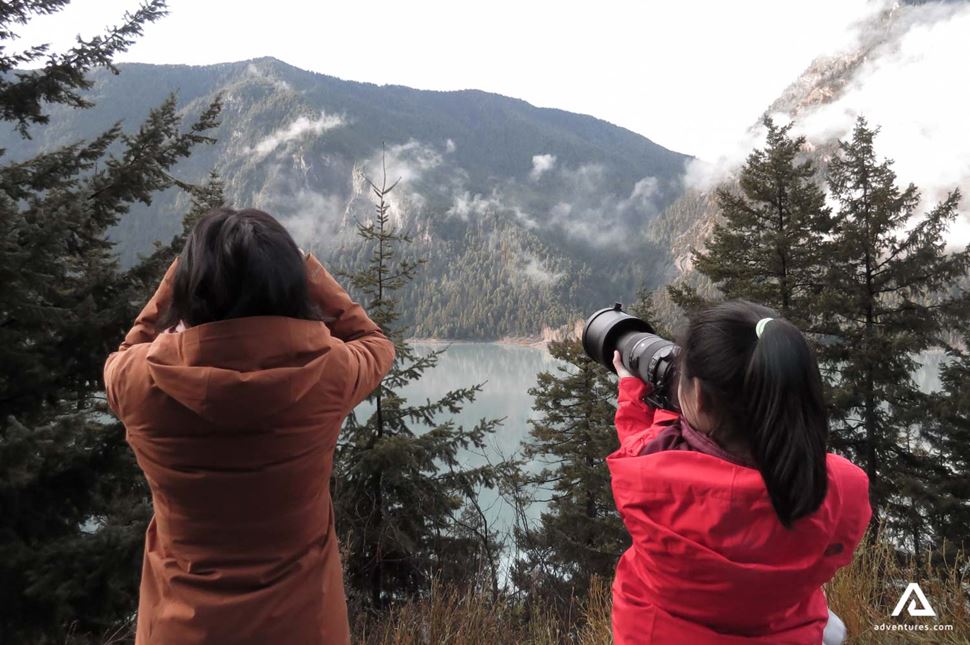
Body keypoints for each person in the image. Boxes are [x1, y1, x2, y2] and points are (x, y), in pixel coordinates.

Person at [103, 207, 395, 644]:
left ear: (191, 290)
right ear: (290, 290)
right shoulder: (327, 373)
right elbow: (375, 342)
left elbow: (127, 350)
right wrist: (309, 270)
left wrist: (174, 278)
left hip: (179, 627)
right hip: (303, 627)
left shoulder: (138, 381)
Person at [607, 300, 871, 644]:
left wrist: (633, 393)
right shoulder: (839, 489)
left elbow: (643, 453)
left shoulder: (647, 478)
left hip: (655, 634)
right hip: (788, 631)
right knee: (831, 631)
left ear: (698, 397)